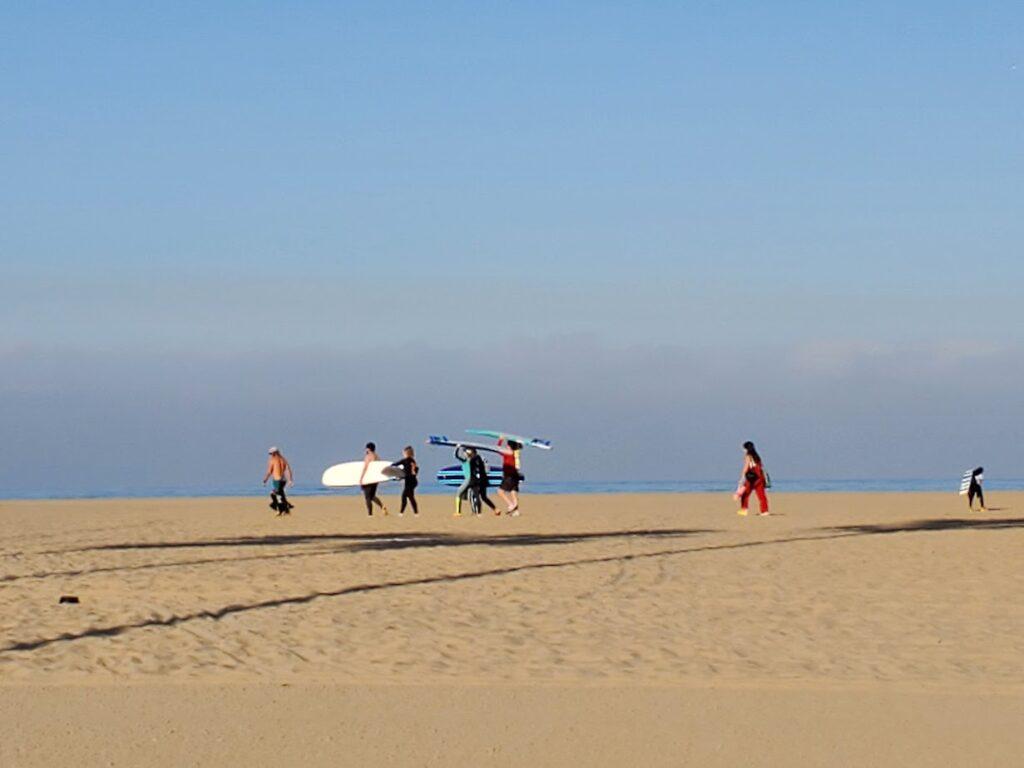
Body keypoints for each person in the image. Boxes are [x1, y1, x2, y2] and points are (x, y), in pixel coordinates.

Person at [735, 441, 769, 517]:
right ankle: (765, 511)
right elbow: (761, 467)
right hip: (759, 477)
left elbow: (746, 467)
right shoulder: (757, 456)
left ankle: (744, 510)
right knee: (761, 495)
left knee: (745, 494)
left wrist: (742, 478)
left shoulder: (748, 456)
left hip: (751, 478)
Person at [359, 442, 389, 517]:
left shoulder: (368, 456)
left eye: (366, 448)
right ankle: (382, 506)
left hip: (368, 478)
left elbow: (365, 468)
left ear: (368, 449)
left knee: (367, 497)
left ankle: (370, 514)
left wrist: (361, 478)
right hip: (375, 479)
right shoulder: (377, 457)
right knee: (372, 496)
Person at [262, 447, 294, 516]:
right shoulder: (283, 459)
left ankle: (280, 509)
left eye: (272, 453)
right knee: (280, 494)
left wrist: (265, 480)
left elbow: (269, 471)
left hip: (277, 480)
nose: (271, 455)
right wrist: (290, 480)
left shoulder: (272, 460)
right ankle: (286, 509)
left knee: (275, 494)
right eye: (270, 454)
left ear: (276, 452)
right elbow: (288, 470)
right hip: (283, 480)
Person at [497, 439, 523, 516]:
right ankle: (516, 511)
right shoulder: (515, 453)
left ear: (509, 446)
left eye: (507, 445)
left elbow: (498, 449)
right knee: (513, 492)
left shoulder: (508, 453)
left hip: (509, 475)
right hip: (515, 475)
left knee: (500, 492)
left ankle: (511, 505)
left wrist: (500, 440)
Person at [391, 446, 420, 516]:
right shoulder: (412, 461)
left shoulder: (405, 461)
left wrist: (389, 468)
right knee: (410, 497)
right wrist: (398, 477)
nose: (403, 454)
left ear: (406, 453)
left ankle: (401, 513)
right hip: (413, 481)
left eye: (404, 452)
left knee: (404, 496)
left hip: (410, 482)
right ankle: (416, 513)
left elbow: (395, 464)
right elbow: (413, 472)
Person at [469, 449, 497, 515]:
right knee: (483, 497)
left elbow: (477, 470)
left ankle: (478, 513)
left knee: (477, 497)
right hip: (482, 481)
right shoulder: (480, 458)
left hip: (476, 482)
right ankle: (495, 509)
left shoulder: (474, 460)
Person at [453, 445, 473, 517]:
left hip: (468, 479)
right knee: (469, 495)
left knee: (459, 492)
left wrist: (457, 448)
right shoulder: (471, 460)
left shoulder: (466, 460)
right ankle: (474, 511)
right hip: (471, 479)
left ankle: (458, 512)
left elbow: (456, 455)